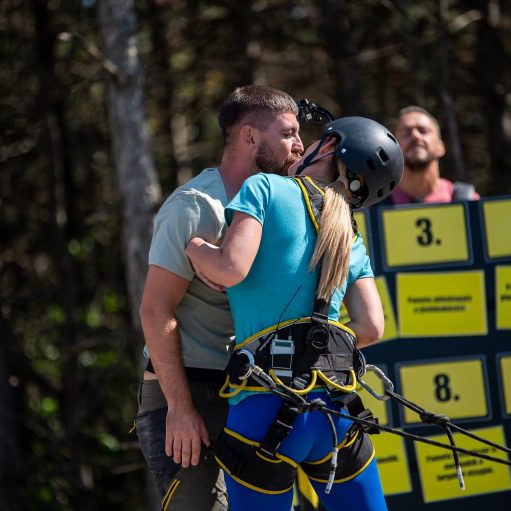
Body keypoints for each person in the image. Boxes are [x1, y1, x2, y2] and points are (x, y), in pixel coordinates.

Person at [185, 116, 403, 510]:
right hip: (337, 414)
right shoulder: (349, 233)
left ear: (332, 148)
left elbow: (230, 268)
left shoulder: (265, 187)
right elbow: (372, 326)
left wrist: (196, 247)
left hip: (262, 410)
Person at [137, 85, 304, 511]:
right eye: (288, 133)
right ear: (249, 137)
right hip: (193, 391)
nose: (299, 146)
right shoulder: (196, 206)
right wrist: (179, 408)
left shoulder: (276, 206)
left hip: (251, 393)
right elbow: (155, 310)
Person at [387, 106, 479, 204]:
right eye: (406, 133)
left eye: (423, 131)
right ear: (394, 149)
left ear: (440, 147)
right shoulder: (373, 208)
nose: (415, 136)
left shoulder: (469, 202)